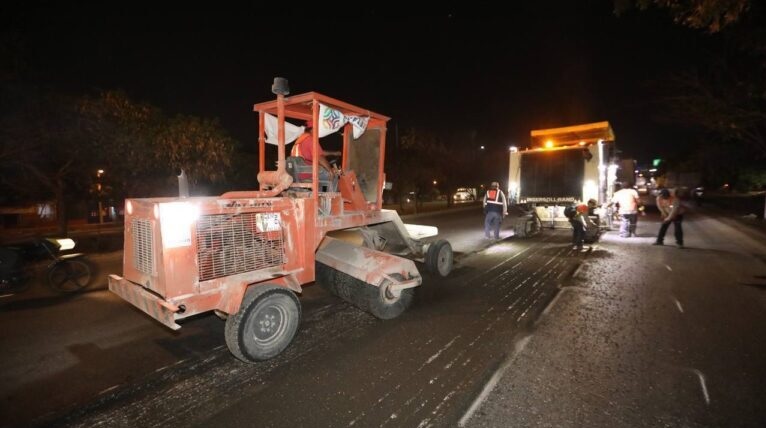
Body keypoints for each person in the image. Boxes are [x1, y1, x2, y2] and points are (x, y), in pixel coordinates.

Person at [290, 120, 342, 190]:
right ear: (313, 129)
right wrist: (329, 169)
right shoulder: (311, 140)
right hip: (307, 174)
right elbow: (319, 157)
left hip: (298, 173)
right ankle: (332, 199)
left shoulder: (301, 140)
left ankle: (320, 196)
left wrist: (334, 153)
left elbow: (319, 152)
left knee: (321, 173)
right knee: (334, 175)